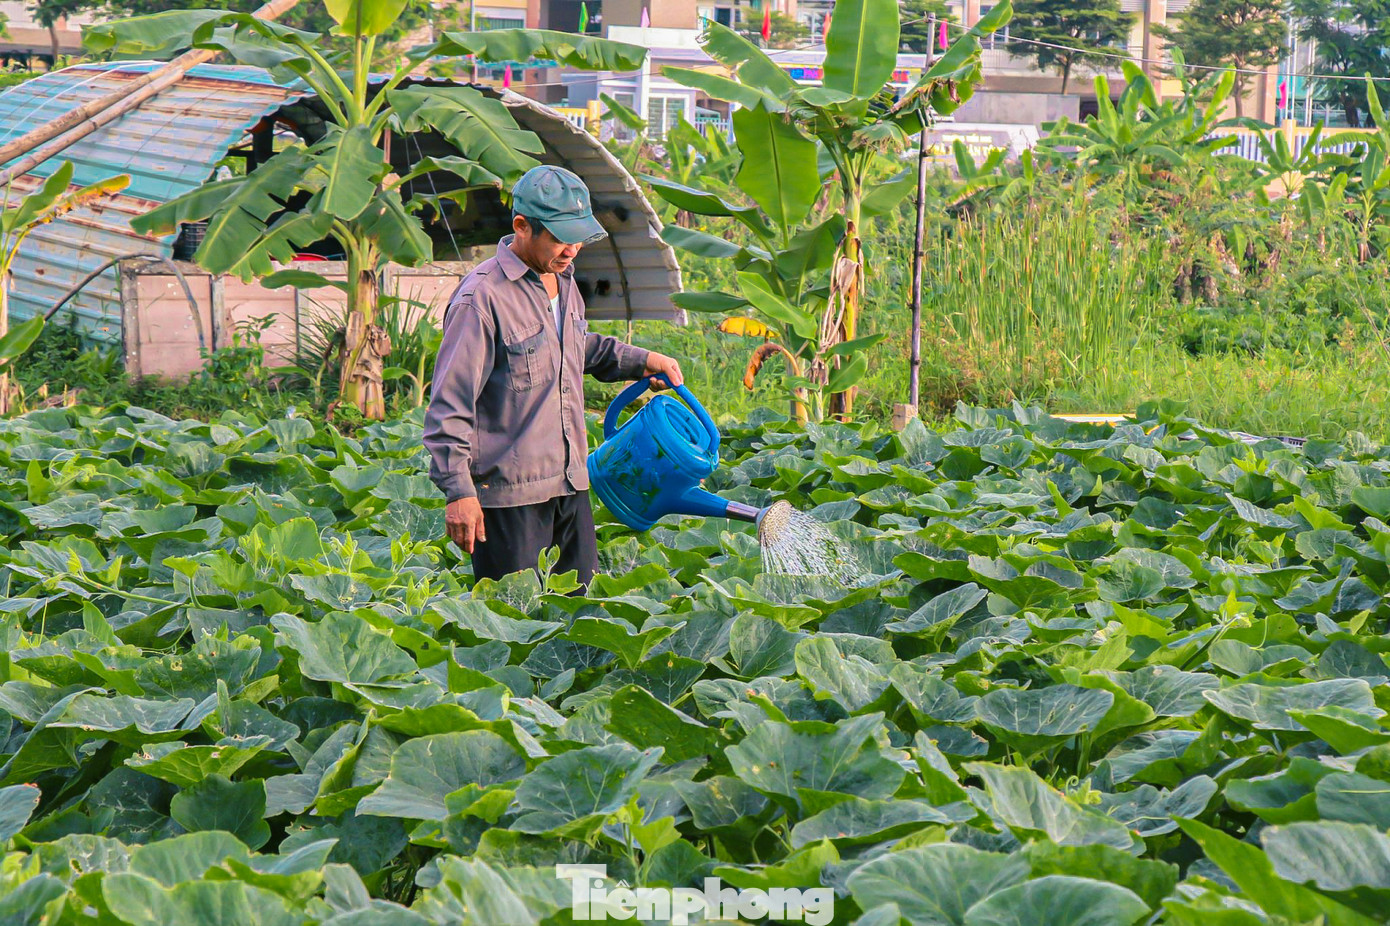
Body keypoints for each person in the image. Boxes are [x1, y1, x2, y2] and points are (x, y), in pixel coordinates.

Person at [423, 164, 684, 591]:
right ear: (522, 226)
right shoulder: (481, 298)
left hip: (569, 484)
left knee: (580, 611)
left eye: (578, 238)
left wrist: (643, 360)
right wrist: (459, 491)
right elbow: (450, 405)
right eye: (561, 238)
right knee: (517, 617)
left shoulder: (563, 281)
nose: (572, 251)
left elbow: (573, 348)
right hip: (510, 496)